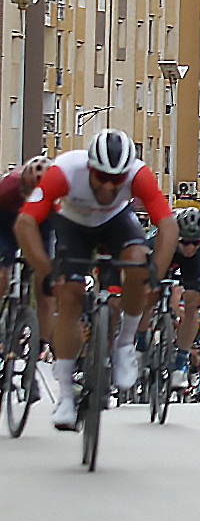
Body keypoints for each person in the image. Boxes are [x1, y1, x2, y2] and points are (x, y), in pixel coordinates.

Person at [13, 129, 178, 431]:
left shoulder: (139, 176)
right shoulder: (64, 172)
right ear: (89, 167)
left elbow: (167, 225)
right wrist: (46, 269)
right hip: (73, 225)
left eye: (116, 180)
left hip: (116, 222)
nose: (107, 185)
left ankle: (125, 343)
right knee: (71, 295)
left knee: (139, 265)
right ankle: (64, 395)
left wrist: (156, 270)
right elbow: (25, 223)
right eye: (101, 176)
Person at [153, 207, 200, 390]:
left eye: (195, 242)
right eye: (185, 242)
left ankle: (179, 366)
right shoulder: (165, 231)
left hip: (194, 265)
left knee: (193, 303)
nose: (190, 247)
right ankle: (143, 338)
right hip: (166, 252)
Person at [0, 156, 54, 345]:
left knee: (46, 284)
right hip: (6, 222)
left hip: (41, 225)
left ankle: (42, 345)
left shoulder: (58, 198)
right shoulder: (7, 189)